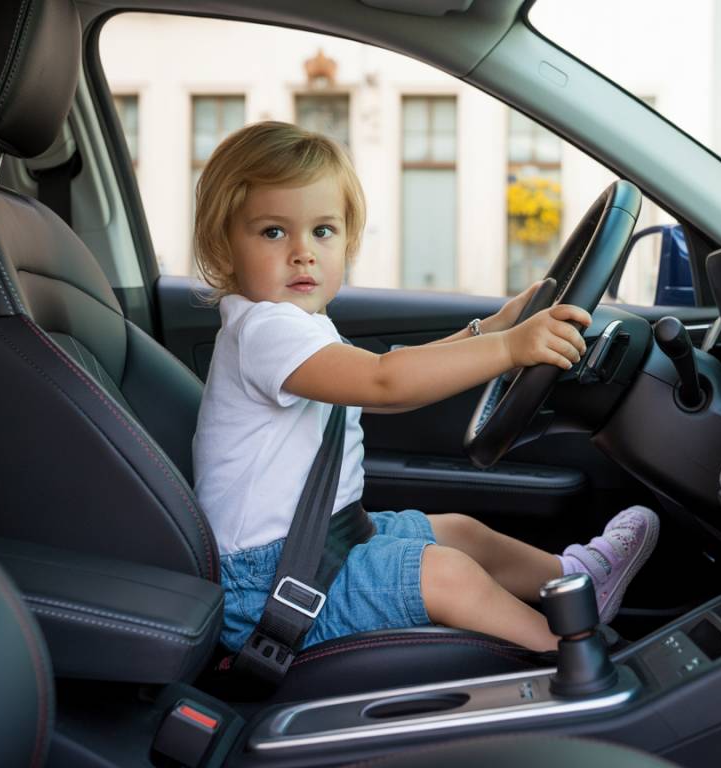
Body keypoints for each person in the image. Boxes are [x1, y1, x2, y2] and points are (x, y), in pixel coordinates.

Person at [192, 121, 659, 654]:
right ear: (224, 248)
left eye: (322, 231)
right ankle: (578, 654)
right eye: (273, 232)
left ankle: (579, 578)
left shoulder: (297, 324)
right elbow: (384, 381)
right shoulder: (266, 330)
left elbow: (384, 376)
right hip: (266, 585)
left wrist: (490, 329)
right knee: (446, 575)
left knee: (460, 532)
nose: (303, 252)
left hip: (318, 541)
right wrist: (509, 349)